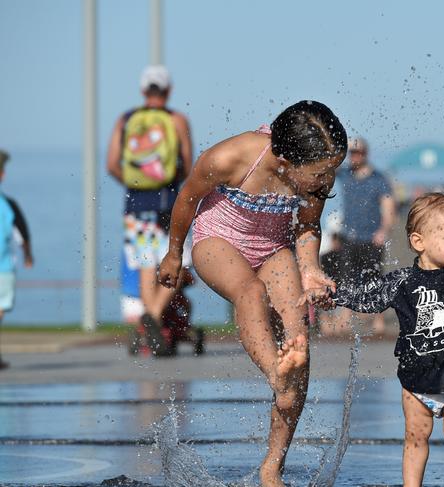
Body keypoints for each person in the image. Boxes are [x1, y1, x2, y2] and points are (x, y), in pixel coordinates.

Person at [157, 100, 347, 487]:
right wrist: (174, 253)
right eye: (320, 173)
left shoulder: (316, 176)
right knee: (251, 290)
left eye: (332, 171)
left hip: (273, 249)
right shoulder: (230, 158)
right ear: (283, 160)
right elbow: (188, 198)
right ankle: (277, 374)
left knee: (299, 338)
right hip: (217, 241)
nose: (327, 182)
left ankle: (272, 467)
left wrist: (310, 271)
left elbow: (307, 228)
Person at [321, 193, 444, 487]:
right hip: (416, 380)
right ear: (418, 241)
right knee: (415, 438)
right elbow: (369, 298)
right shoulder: (402, 281)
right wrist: (333, 294)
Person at [106, 65, 193, 355]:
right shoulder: (177, 120)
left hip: (134, 204)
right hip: (167, 203)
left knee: (145, 265)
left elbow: (112, 164)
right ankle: (155, 316)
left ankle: (149, 319)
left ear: (143, 91)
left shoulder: (126, 120)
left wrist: (133, 183)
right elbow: (188, 165)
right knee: (175, 262)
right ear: (168, 91)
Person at [335, 137, 396, 335]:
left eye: (358, 153)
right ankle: (344, 318)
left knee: (374, 278)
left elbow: (388, 207)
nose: (354, 157)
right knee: (346, 278)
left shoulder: (378, 179)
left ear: (366, 154)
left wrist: (383, 231)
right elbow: (326, 169)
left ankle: (378, 320)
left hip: (371, 237)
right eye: (351, 153)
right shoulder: (345, 175)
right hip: (349, 235)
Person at [0, 150, 34, 370]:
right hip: (3, 268)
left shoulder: (7, 204)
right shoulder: (7, 204)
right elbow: (22, 233)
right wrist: (28, 255)